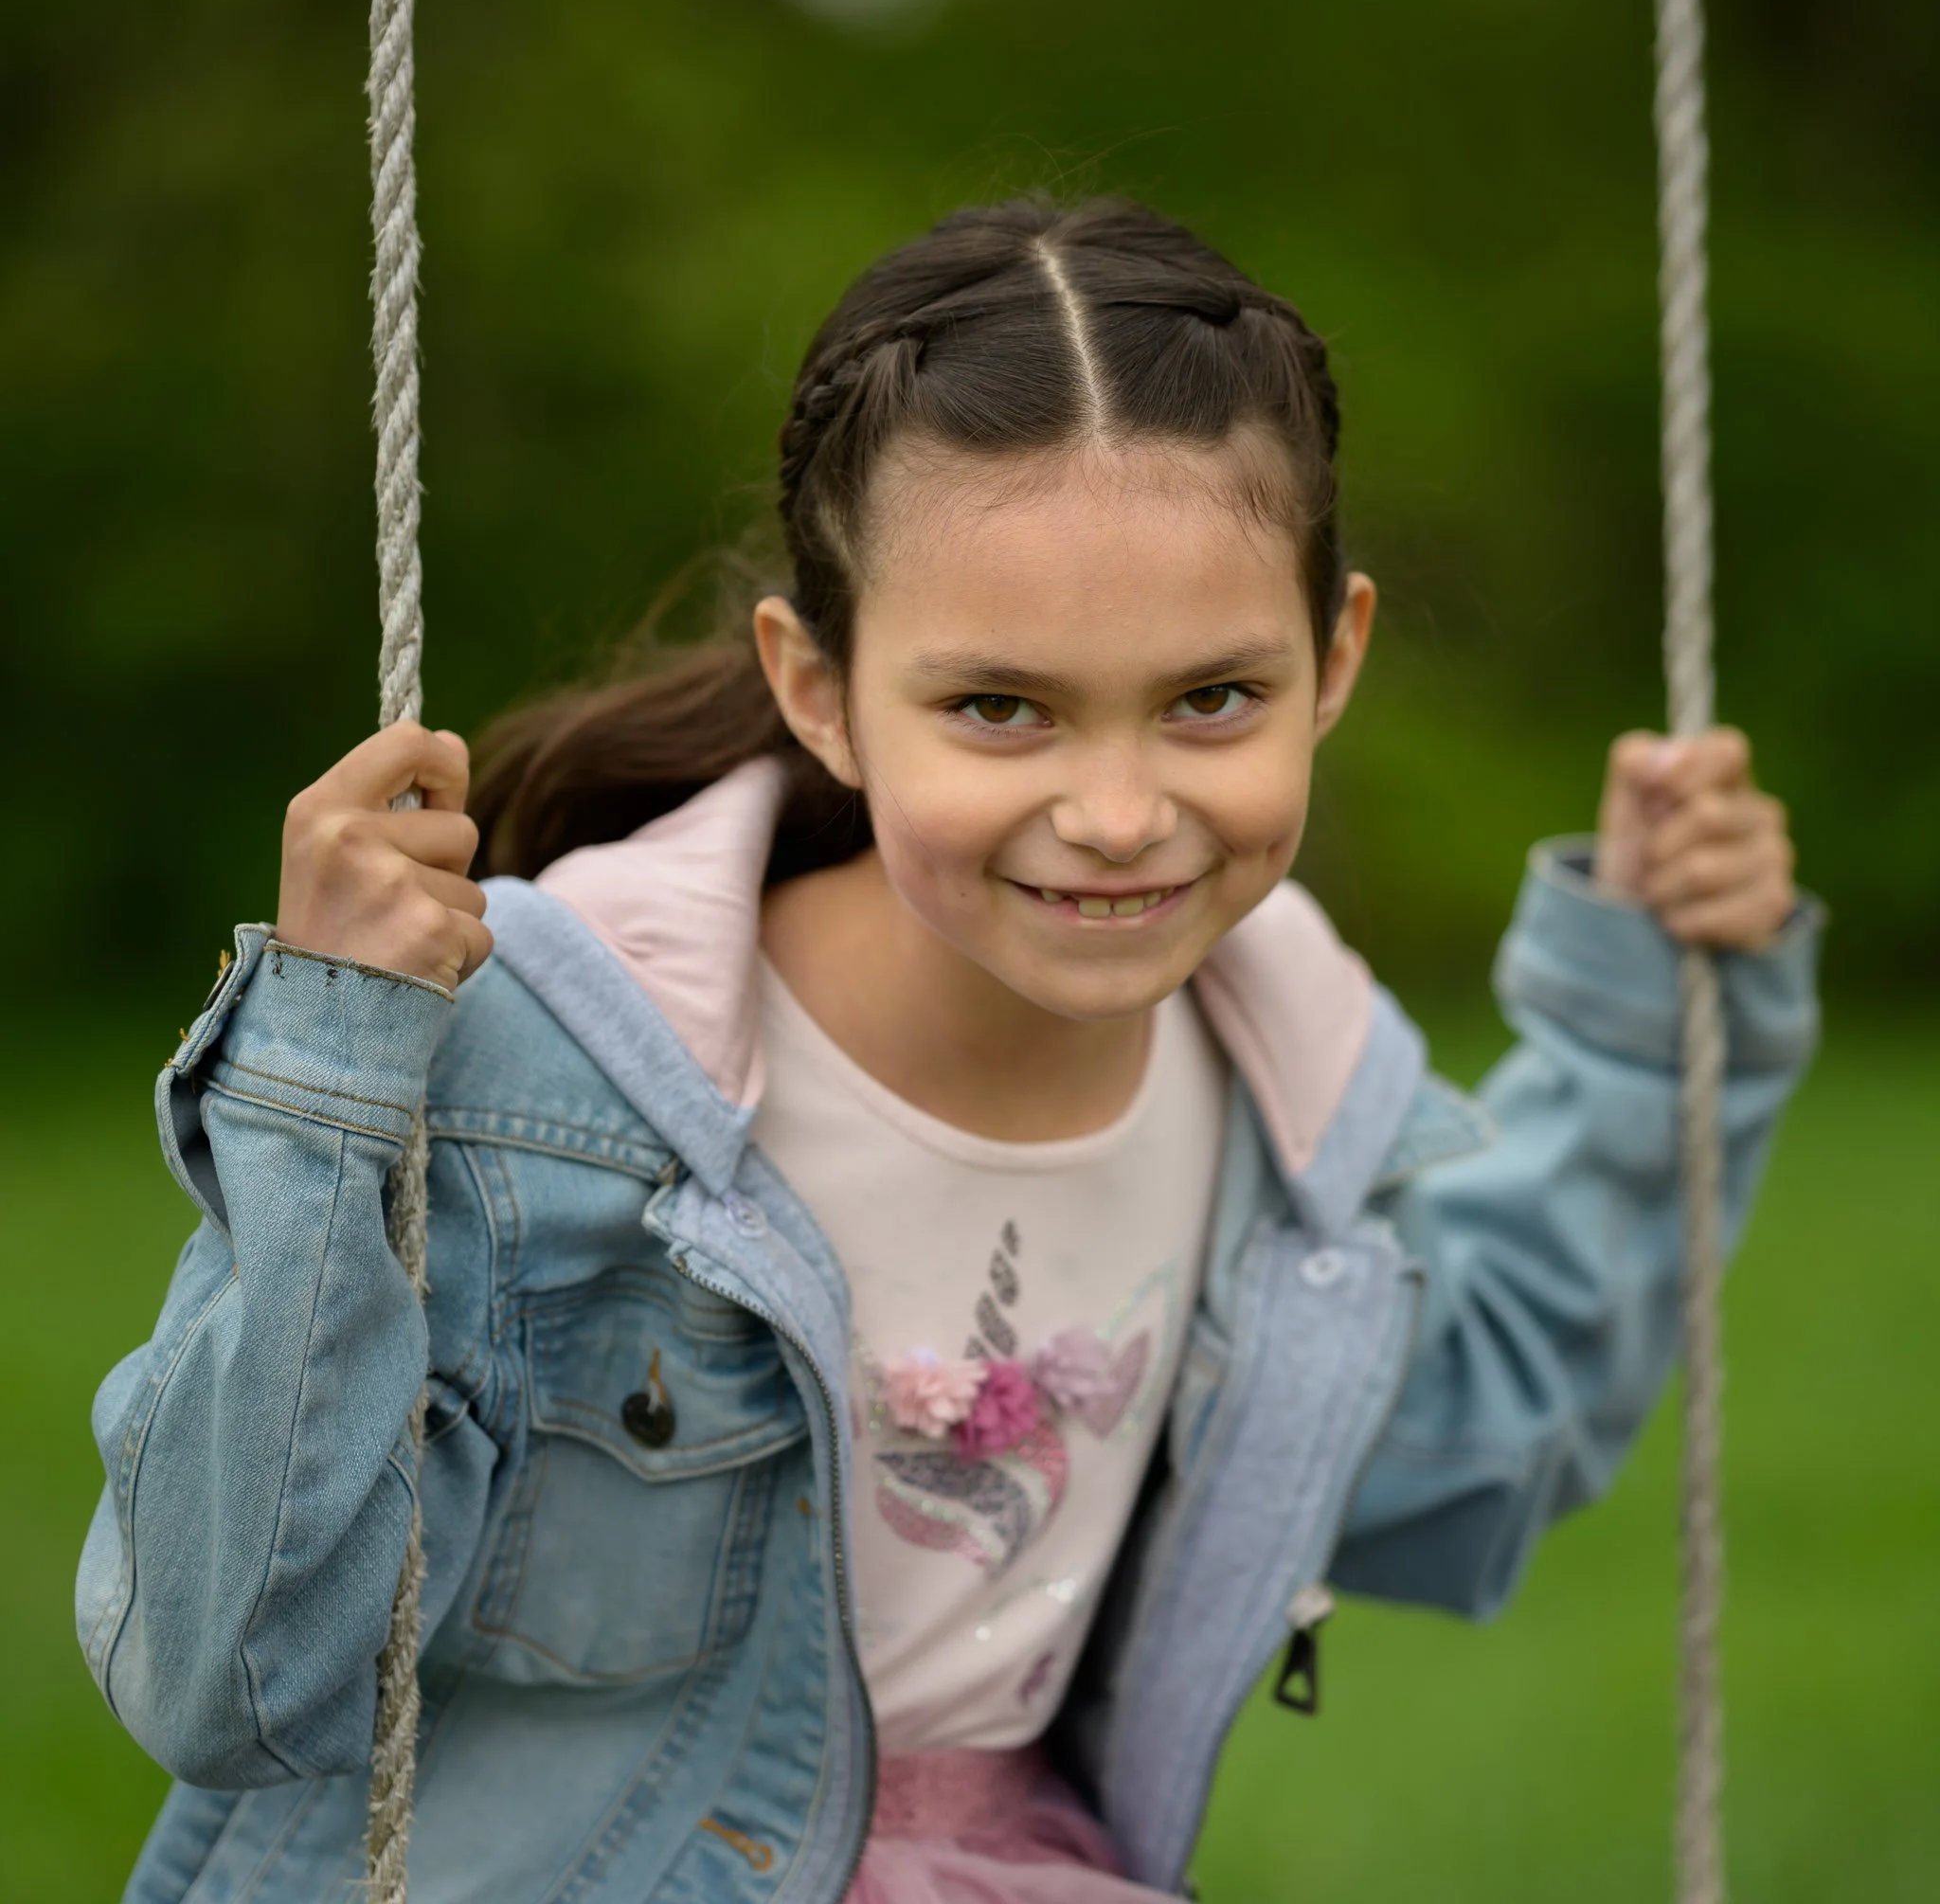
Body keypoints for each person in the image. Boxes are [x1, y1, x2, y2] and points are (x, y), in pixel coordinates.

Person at [79, 198, 1817, 1903]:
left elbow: (1487, 1444)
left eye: (1214, 698)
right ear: (819, 687)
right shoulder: (549, 1074)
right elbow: (238, 1675)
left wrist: (1650, 997)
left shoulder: (1297, 1113)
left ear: (1334, 658)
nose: (1121, 815)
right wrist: (329, 1074)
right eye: (1001, 706)